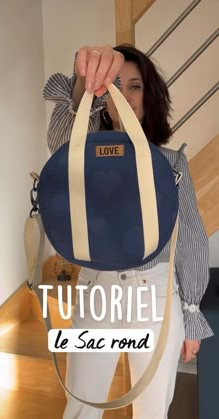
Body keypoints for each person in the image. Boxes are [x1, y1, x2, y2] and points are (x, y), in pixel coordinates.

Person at [43, 44, 213, 419]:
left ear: (148, 95)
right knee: (81, 410)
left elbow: (191, 240)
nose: (125, 93)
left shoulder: (171, 164)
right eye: (115, 83)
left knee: (152, 412)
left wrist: (191, 313)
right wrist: (83, 85)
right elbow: (59, 143)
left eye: (134, 85)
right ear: (103, 96)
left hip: (155, 297)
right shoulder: (80, 157)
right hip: (95, 292)